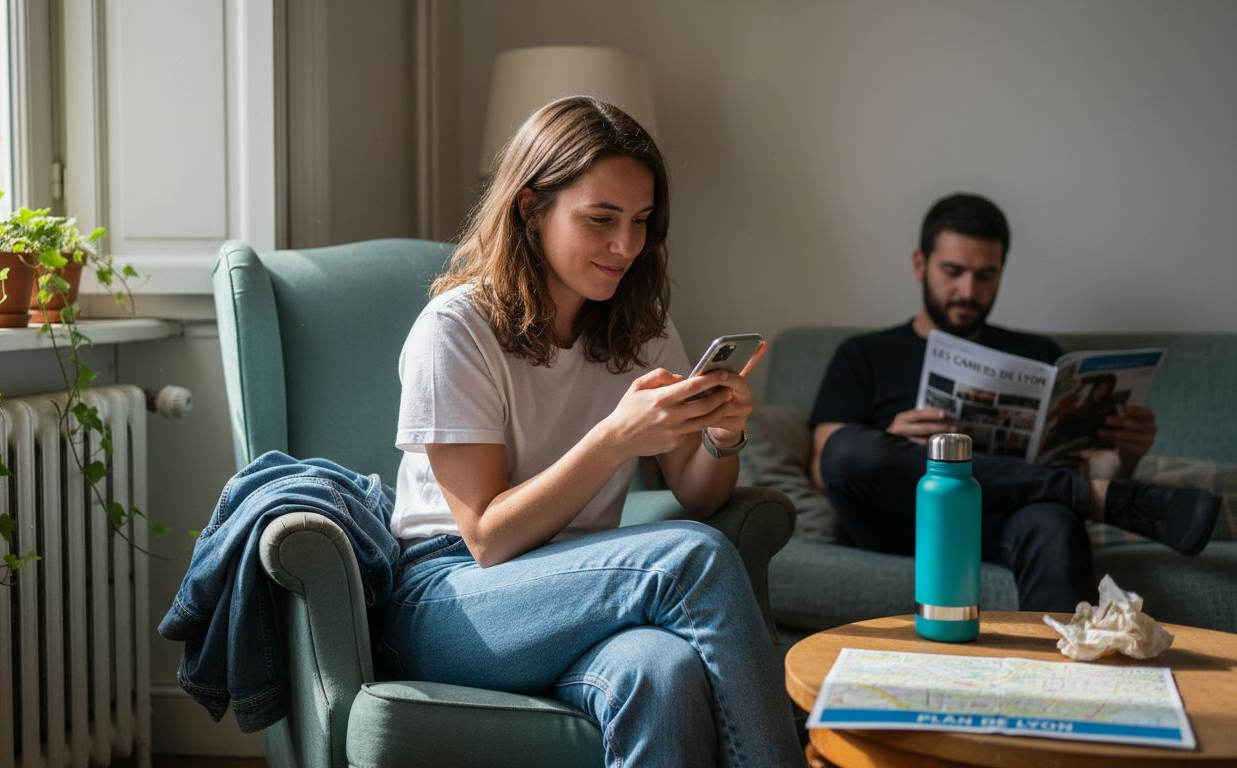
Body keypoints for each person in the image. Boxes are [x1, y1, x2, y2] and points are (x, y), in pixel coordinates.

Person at [381, 96, 804, 768]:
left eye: (640, 223)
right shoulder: (456, 330)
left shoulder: (641, 329)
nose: (626, 247)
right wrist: (614, 438)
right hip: (451, 600)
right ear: (531, 208)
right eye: (601, 220)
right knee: (690, 557)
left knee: (659, 671)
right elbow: (488, 536)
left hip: (588, 595)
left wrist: (722, 434)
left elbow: (696, 495)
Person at [807, 193, 1219, 612]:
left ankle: (1063, 671)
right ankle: (1101, 498)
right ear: (920, 265)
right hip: (902, 517)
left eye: (986, 275)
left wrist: (1125, 457)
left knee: (1056, 521)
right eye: (953, 271)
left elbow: (1076, 458)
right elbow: (825, 467)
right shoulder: (862, 354)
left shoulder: (1038, 353)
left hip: (1006, 518)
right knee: (845, 449)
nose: (968, 290)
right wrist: (890, 440)